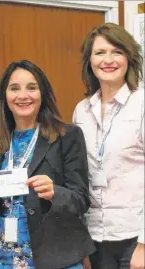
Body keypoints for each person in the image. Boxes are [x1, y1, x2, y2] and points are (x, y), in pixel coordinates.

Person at [0, 60, 95, 269]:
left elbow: (81, 200)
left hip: (55, 259)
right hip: (4, 259)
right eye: (14, 88)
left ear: (43, 95)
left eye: (32, 87)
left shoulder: (68, 136)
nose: (23, 95)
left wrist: (55, 192)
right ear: (5, 96)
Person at [73, 22, 144, 269]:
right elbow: (79, 177)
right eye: (100, 53)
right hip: (94, 238)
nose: (108, 60)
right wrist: (81, 243)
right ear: (89, 61)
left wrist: (144, 243)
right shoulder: (81, 111)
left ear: (129, 58)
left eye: (117, 52)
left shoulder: (141, 104)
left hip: (134, 238)